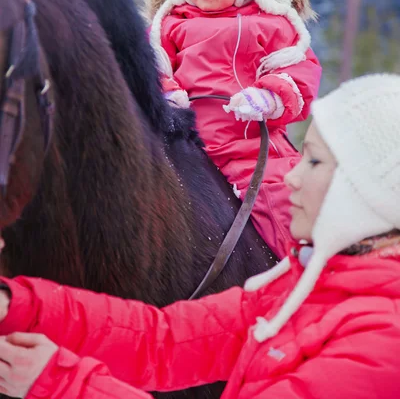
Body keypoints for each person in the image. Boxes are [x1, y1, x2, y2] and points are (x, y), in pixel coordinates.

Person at [0, 72, 400, 398]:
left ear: (363, 190)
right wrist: (19, 306)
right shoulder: (307, 289)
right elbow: (163, 341)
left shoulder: (382, 339)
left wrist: (58, 382)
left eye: (313, 161)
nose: (291, 177)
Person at [145, 0, 321, 258]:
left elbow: (299, 70)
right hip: (185, 143)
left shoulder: (270, 24)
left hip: (249, 148)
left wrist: (269, 97)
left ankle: (295, 267)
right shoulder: (173, 24)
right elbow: (152, 65)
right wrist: (168, 95)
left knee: (281, 198)